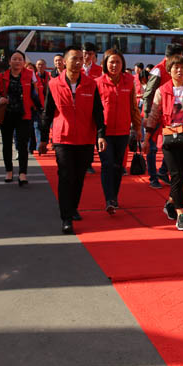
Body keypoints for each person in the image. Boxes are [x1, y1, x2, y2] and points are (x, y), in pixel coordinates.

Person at [40, 46, 107, 234]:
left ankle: (72, 207)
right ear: (64, 61)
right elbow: (47, 112)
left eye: (80, 59)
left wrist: (101, 134)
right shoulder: (54, 84)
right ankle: (66, 218)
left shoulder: (91, 84)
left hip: (85, 138)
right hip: (63, 138)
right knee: (65, 176)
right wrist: (43, 139)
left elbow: (98, 111)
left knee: (78, 177)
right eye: (73, 59)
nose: (78, 62)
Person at [144, 55, 183, 231]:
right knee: (176, 175)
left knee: (181, 177)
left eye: (182, 68)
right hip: (169, 139)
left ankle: (170, 203)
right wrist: (146, 138)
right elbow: (154, 115)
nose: (179, 71)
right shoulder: (162, 91)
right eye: (175, 68)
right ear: (169, 71)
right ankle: (181, 215)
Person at [96, 49, 141, 214]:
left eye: (118, 62)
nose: (114, 65)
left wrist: (137, 127)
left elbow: (133, 106)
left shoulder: (129, 81)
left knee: (117, 166)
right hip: (104, 132)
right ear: (105, 64)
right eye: (111, 62)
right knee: (107, 164)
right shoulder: (97, 83)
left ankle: (114, 197)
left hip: (123, 131)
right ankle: (109, 199)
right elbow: (94, 110)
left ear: (123, 64)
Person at [0, 50, 41, 186]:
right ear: (9, 61)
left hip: (23, 115)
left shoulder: (29, 76)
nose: (17, 61)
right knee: (7, 144)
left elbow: (34, 95)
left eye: (20, 59)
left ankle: (22, 173)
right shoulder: (1, 76)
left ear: (24, 62)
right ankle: (9, 171)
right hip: (6, 115)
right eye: (14, 59)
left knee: (22, 145)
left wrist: (41, 109)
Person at [142, 44, 183, 188]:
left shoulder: (176, 70)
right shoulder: (158, 70)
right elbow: (148, 94)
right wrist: (147, 115)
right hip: (154, 114)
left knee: (173, 144)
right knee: (152, 148)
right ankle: (153, 178)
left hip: (170, 115)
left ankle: (163, 171)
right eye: (180, 56)